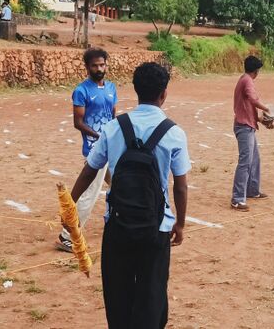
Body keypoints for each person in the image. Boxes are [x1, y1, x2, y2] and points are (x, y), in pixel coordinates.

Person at [66, 62, 189, 329]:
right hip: (157, 226)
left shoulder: (114, 127)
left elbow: (90, 171)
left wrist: (70, 206)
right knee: (153, 291)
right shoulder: (175, 133)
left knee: (118, 292)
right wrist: (179, 223)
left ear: (135, 90)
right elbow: (180, 185)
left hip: (118, 224)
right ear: (164, 93)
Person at [55, 48, 118, 253]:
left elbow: (113, 116)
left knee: (120, 184)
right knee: (90, 193)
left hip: (112, 147)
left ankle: (118, 221)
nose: (99, 69)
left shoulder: (111, 88)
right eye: (95, 65)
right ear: (87, 67)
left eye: (102, 65)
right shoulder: (81, 91)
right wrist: (100, 137)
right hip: (94, 149)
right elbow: (78, 122)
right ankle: (67, 236)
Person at [231, 55, 273, 212]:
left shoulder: (244, 79)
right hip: (243, 127)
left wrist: (262, 120)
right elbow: (253, 100)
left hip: (247, 125)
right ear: (256, 71)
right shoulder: (247, 81)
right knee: (245, 162)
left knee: (254, 160)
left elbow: (249, 106)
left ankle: (252, 190)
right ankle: (237, 199)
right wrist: (267, 109)